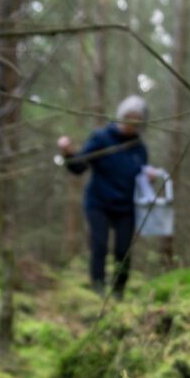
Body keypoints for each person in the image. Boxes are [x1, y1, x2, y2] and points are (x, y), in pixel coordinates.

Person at [58, 95, 149, 300]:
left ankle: (118, 291)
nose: (131, 124)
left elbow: (141, 177)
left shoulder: (139, 148)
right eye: (129, 118)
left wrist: (148, 177)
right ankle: (97, 287)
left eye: (137, 120)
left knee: (123, 250)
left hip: (126, 206)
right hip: (98, 203)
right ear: (121, 117)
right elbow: (79, 166)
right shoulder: (102, 138)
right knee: (99, 245)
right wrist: (68, 153)